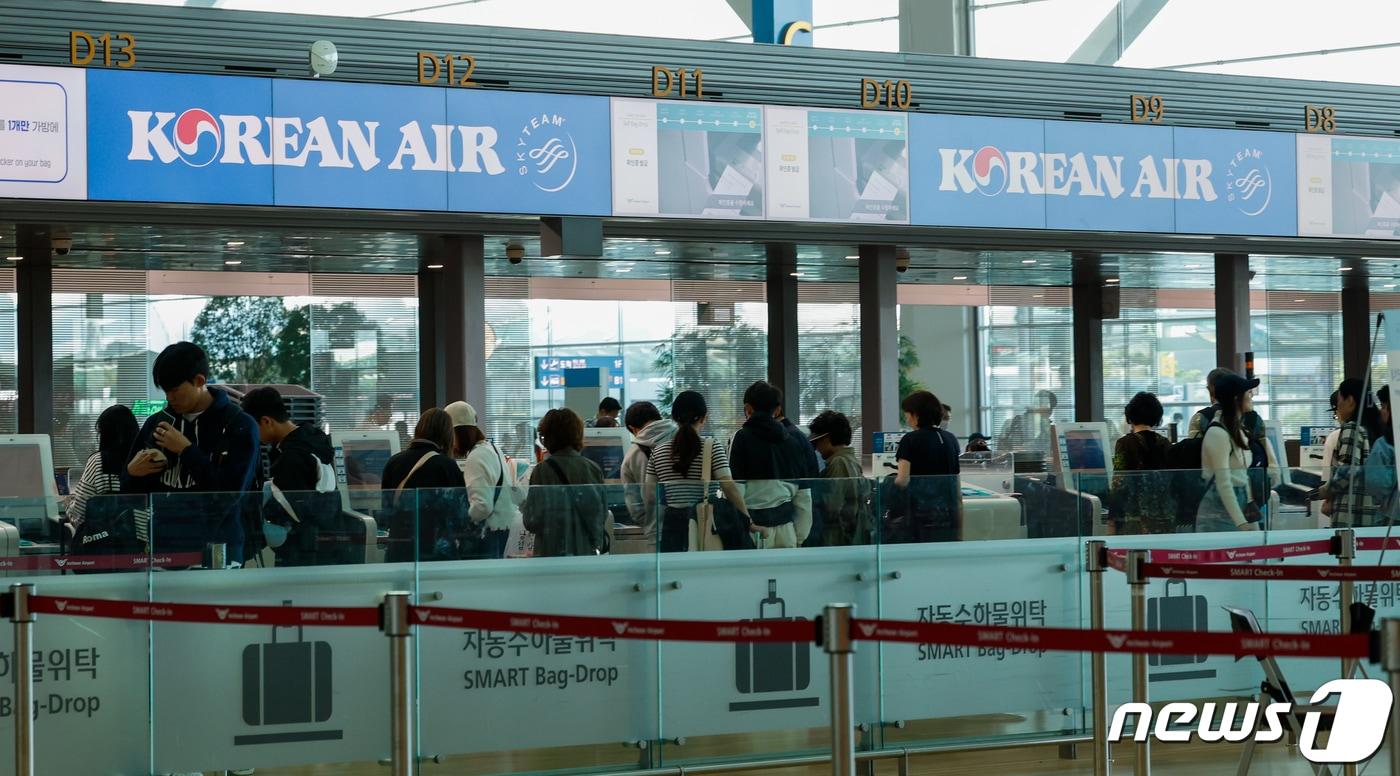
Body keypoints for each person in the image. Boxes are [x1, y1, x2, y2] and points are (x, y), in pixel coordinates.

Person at [123, 342, 260, 565]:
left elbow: (230, 495)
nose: (169, 398)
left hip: (218, 551)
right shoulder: (157, 423)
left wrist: (186, 451)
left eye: (175, 390)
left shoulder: (240, 426)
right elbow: (131, 496)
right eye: (165, 391)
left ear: (199, 381)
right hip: (163, 550)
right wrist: (131, 473)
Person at [241, 387, 343, 567]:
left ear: (266, 421)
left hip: (303, 555)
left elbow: (295, 514)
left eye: (252, 428)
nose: (252, 435)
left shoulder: (291, 459)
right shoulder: (313, 440)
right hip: (327, 547)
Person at [643, 391, 757, 551]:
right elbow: (729, 488)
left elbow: (649, 496)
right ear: (704, 418)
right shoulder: (712, 447)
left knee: (676, 574)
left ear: (674, 418)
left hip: (672, 528)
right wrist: (748, 520)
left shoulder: (658, 452)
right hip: (704, 523)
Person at [728, 382, 815, 549]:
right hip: (787, 530)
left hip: (754, 530)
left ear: (748, 408)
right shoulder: (793, 440)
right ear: (776, 410)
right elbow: (803, 494)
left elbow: (736, 490)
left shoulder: (741, 438)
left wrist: (744, 526)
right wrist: (799, 536)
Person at [380, 408, 467, 562]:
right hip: (437, 551)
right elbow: (460, 516)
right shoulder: (447, 466)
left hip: (400, 549)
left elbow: (387, 513)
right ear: (446, 434)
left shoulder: (393, 462)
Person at [523, 408, 609, 556]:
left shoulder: (542, 471)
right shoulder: (593, 468)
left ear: (548, 437)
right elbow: (602, 514)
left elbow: (532, 520)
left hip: (551, 552)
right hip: (586, 552)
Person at [447, 400, 522, 559]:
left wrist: (460, 519)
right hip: (501, 530)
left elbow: (482, 506)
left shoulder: (476, 456)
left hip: (486, 535)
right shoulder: (492, 448)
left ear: (458, 433)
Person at [890, 391, 962, 542]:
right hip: (948, 514)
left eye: (907, 413)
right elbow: (956, 482)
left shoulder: (910, 440)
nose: (906, 418)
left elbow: (902, 480)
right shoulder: (951, 439)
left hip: (920, 514)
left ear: (916, 415)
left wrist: (888, 484)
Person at [1198, 374, 1262, 532]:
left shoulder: (1238, 429)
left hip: (1237, 502)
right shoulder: (1217, 433)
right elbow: (1223, 483)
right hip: (1217, 511)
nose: (1252, 395)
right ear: (1236, 398)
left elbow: (1242, 475)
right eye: (1248, 393)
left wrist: (1250, 517)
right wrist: (1242, 523)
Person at [1110, 392, 1175, 534]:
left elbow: (1118, 482)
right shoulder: (1165, 443)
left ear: (1130, 416)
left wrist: (1112, 519)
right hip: (1164, 516)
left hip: (1134, 517)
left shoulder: (1124, 443)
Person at [1317, 378, 1377, 527]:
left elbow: (1347, 470)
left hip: (1350, 514)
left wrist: (1322, 492)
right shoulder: (1374, 429)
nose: (1338, 408)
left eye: (1338, 402)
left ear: (1350, 400)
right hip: (1370, 513)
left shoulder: (1351, 428)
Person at [68, 405, 139, 530]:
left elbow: (79, 513)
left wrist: (69, 504)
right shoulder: (145, 459)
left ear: (105, 433)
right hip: (147, 542)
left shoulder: (99, 461)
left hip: (109, 542)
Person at [808, 410, 869, 546]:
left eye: (817, 442)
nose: (817, 448)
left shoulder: (838, 463)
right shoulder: (851, 460)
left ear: (827, 439)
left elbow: (832, 505)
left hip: (837, 537)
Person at [621, 401, 676, 533]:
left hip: (657, 531)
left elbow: (635, 505)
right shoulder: (685, 438)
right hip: (691, 526)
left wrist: (650, 521)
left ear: (633, 428)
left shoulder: (631, 456)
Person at [1366, 385, 1397, 524]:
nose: (1381, 411)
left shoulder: (1384, 444)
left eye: (1384, 407)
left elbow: (1376, 483)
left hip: (1392, 514)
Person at [996, 389, 1056, 455]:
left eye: (1050, 408)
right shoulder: (1010, 424)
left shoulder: (1049, 429)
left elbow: (1052, 454)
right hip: (1015, 463)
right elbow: (999, 454)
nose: (1050, 411)